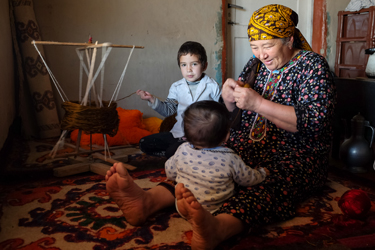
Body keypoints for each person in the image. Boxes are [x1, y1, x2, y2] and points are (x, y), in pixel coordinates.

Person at [106, 4, 336, 250]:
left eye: (268, 46)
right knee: (205, 161)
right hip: (245, 145)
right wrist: (226, 100)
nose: (261, 54)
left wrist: (258, 104)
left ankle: (220, 227)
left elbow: (315, 123)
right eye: (255, 47)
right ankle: (148, 201)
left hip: (294, 153)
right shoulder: (255, 64)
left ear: (289, 39)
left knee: (268, 183)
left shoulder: (313, 66)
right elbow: (228, 116)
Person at [165, 100, 267, 214]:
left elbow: (170, 173)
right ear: (226, 135)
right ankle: (206, 219)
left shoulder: (182, 149)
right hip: (216, 209)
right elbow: (247, 179)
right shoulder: (230, 157)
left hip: (184, 203)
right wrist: (262, 173)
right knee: (247, 197)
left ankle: (185, 209)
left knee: (178, 186)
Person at [136, 41, 221, 158]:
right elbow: (168, 111)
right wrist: (151, 100)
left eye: (194, 64)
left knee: (173, 151)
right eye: (184, 65)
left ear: (204, 65)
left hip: (204, 136)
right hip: (180, 134)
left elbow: (221, 113)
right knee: (144, 143)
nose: (189, 69)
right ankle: (182, 153)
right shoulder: (176, 87)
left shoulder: (212, 86)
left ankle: (178, 154)